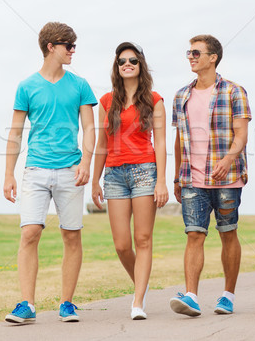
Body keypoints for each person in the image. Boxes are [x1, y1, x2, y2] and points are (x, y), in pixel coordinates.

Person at [3, 22, 97, 323]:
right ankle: (27, 304)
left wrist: (85, 162)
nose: (72, 50)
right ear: (50, 47)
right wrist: (9, 174)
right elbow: (15, 133)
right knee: (30, 232)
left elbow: (90, 128)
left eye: (74, 45)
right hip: (36, 170)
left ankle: (67, 303)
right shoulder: (27, 86)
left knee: (71, 235)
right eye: (67, 45)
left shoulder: (80, 85)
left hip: (70, 169)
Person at [170, 34, 251, 317]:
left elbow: (241, 134)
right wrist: (177, 177)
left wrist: (229, 159)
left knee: (228, 233)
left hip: (228, 178)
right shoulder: (181, 95)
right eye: (189, 53)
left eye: (196, 52)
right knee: (194, 234)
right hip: (192, 179)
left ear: (213, 57)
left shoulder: (234, 92)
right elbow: (180, 139)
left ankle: (227, 296)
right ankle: (191, 296)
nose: (191, 57)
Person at [91, 42, 169, 320]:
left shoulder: (155, 100)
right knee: (122, 244)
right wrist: (95, 181)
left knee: (143, 238)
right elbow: (102, 143)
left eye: (132, 60)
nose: (127, 64)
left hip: (144, 172)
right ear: (117, 66)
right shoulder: (106, 101)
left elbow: (160, 143)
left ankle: (138, 302)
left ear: (140, 66)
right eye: (122, 60)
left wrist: (161, 181)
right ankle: (142, 283)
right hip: (114, 175)